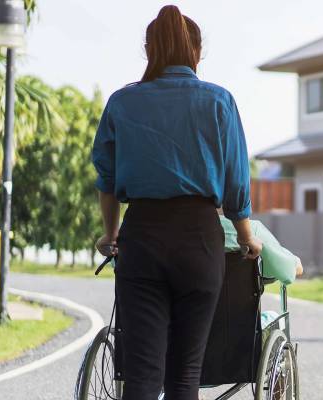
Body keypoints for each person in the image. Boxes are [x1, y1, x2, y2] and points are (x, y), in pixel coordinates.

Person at [90, 5, 262, 400]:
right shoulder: (219, 101)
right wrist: (246, 236)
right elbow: (237, 181)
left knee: (142, 373)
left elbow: (108, 179)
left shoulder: (122, 103)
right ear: (196, 53)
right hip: (199, 240)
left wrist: (110, 233)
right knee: (185, 374)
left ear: (149, 51)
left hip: (142, 237)